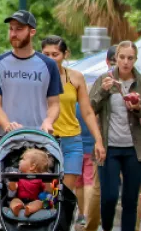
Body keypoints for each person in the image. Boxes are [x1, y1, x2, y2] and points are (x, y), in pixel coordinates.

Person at [90, 41, 141, 231]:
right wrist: (103, 91)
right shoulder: (105, 79)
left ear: (135, 59)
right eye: (122, 57)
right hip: (108, 147)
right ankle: (108, 228)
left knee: (130, 199)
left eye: (130, 58)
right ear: (116, 58)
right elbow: (90, 108)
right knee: (109, 197)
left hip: (133, 149)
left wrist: (138, 108)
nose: (126, 62)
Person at [40, 36, 105, 193]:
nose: (50, 59)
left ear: (65, 54)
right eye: (46, 54)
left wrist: (99, 140)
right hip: (44, 140)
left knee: (66, 193)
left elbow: (87, 111)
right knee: (48, 191)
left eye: (55, 54)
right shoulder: (37, 76)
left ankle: (65, 216)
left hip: (71, 140)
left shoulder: (76, 77)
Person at [0, 10, 62, 137]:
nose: (14, 33)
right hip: (7, 139)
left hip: (39, 136)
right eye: (11, 29)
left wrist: (48, 121)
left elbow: (54, 104)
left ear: (32, 32)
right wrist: (7, 125)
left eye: (19, 29)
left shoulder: (49, 65)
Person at [82, 45, 115, 231]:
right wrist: (98, 140)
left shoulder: (138, 82)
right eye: (116, 60)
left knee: (97, 186)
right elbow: (91, 110)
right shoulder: (101, 82)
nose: (121, 64)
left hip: (128, 144)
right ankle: (91, 226)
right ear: (108, 62)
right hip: (103, 142)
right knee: (97, 186)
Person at [7, 148, 54, 217]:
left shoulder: (40, 178)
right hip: (20, 200)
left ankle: (30, 209)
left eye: (23, 159)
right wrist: (13, 180)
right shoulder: (18, 175)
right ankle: (17, 207)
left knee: (39, 203)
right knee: (14, 201)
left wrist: (46, 181)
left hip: (35, 200)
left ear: (32, 166)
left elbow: (48, 191)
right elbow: (13, 189)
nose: (20, 161)